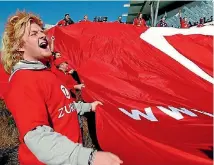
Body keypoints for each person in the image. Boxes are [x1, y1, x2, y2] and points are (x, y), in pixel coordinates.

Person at [1, 11, 123, 165]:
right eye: (33, 34)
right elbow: (38, 137)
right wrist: (89, 157)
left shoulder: (46, 73)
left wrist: (88, 107)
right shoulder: (23, 81)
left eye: (41, 30)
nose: (42, 35)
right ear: (19, 46)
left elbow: (62, 106)